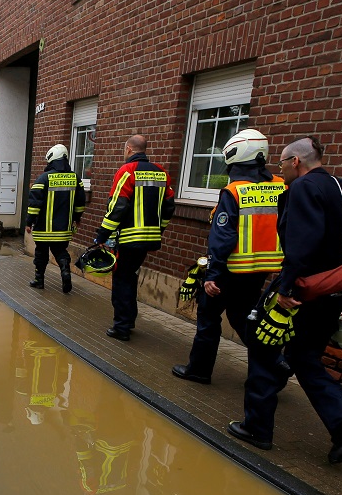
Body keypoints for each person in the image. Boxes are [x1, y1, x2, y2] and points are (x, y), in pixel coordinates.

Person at [228, 136, 342, 464]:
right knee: (304, 356)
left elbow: (302, 243)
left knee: (262, 343)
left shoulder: (301, 189)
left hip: (302, 290)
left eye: (282, 163)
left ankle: (257, 428)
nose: (279, 169)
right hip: (336, 292)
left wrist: (287, 290)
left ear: (295, 161)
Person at [172, 129, 285, 384]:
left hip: (229, 271)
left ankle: (198, 370)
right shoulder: (281, 186)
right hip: (262, 270)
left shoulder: (234, 192)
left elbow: (222, 238)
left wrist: (212, 274)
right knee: (243, 316)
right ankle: (275, 362)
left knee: (209, 320)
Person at [94, 134, 175, 341]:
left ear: (129, 149)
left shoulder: (127, 171)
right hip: (148, 239)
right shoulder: (161, 172)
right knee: (130, 277)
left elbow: (117, 206)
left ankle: (121, 327)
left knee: (122, 280)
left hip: (129, 239)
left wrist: (102, 235)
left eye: (124, 150)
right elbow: (168, 207)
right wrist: (159, 230)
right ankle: (128, 320)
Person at [26, 144, 86, 293]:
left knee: (41, 253)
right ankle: (65, 271)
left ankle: (39, 281)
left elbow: (34, 204)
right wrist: (76, 218)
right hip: (63, 228)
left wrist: (29, 222)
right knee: (60, 251)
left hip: (43, 228)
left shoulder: (43, 179)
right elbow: (80, 203)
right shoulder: (76, 179)